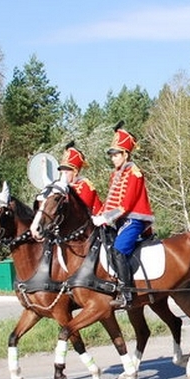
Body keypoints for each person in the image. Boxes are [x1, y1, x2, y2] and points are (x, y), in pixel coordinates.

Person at [92, 127, 154, 308]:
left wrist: (105, 218)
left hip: (135, 218)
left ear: (126, 154)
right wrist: (98, 216)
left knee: (119, 249)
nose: (113, 158)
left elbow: (125, 204)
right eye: (111, 155)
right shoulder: (116, 175)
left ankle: (127, 293)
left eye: (116, 154)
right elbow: (110, 201)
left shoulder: (134, 172)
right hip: (120, 219)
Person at [57, 142, 104, 215]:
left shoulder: (85, 185)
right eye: (61, 172)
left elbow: (81, 211)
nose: (63, 176)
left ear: (75, 172)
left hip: (94, 222)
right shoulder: (64, 187)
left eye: (66, 172)